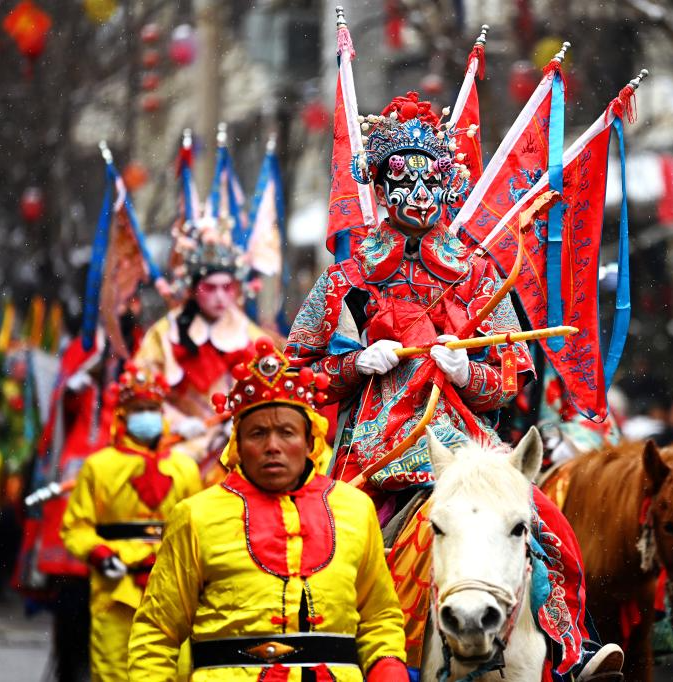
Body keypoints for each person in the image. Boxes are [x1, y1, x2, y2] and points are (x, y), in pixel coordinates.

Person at [287, 92, 622, 680]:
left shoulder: (478, 273)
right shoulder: (347, 278)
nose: (418, 195)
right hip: (378, 454)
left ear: (448, 185)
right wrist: (356, 364)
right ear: (379, 186)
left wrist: (469, 372)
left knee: (545, 528)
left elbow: (510, 375)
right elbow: (296, 373)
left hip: (466, 448)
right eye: (403, 181)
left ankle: (572, 647)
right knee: (325, 549)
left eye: (430, 181)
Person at [129, 338, 408, 680]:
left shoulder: (356, 509)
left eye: (286, 432)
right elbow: (156, 633)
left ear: (310, 441)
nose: (272, 446)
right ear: (237, 444)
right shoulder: (195, 516)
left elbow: (379, 619)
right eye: (258, 433)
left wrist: (387, 668)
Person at [60, 364, 201, 682]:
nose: (146, 416)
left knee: (174, 667)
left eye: (152, 409)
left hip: (170, 583)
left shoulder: (185, 468)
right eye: (139, 409)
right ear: (122, 415)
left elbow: (198, 527)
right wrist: (100, 554)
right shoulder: (98, 466)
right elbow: (76, 525)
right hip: (116, 585)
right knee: (113, 666)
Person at [134, 211, 269, 475]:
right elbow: (141, 391)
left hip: (238, 443)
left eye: (227, 288)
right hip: (180, 445)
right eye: (210, 287)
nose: (220, 297)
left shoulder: (252, 337)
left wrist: (244, 422)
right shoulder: (164, 335)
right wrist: (175, 423)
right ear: (193, 288)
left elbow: (270, 391)